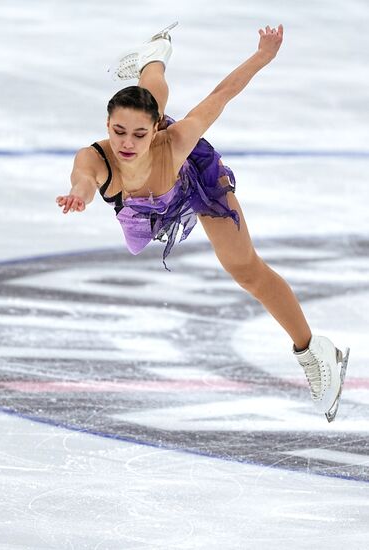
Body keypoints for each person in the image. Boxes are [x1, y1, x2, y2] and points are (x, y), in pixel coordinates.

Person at [56, 23, 349, 421]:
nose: (126, 142)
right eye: (118, 131)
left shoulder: (176, 140)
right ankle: (154, 54)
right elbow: (85, 180)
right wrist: (79, 195)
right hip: (148, 201)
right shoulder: (96, 158)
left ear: (156, 129)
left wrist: (263, 55)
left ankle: (315, 351)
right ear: (107, 125)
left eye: (138, 134)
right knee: (148, 95)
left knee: (245, 269)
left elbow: (221, 95)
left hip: (194, 178)